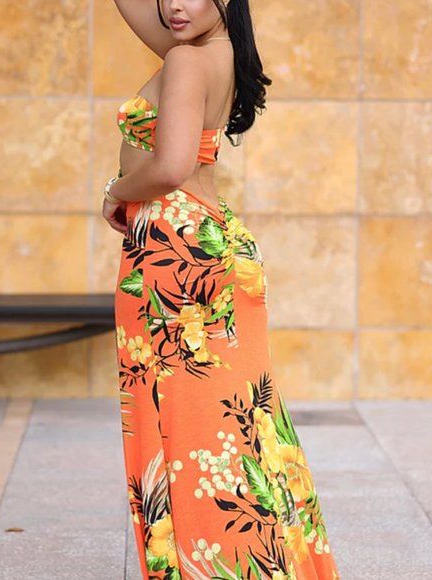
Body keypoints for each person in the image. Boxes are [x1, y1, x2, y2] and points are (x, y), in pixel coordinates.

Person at [104, 1, 342, 578]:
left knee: (194, 430)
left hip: (178, 257)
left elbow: (170, 166)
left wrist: (115, 191)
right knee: (243, 425)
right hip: (208, 246)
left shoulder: (187, 60)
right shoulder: (214, 51)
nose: (174, 5)